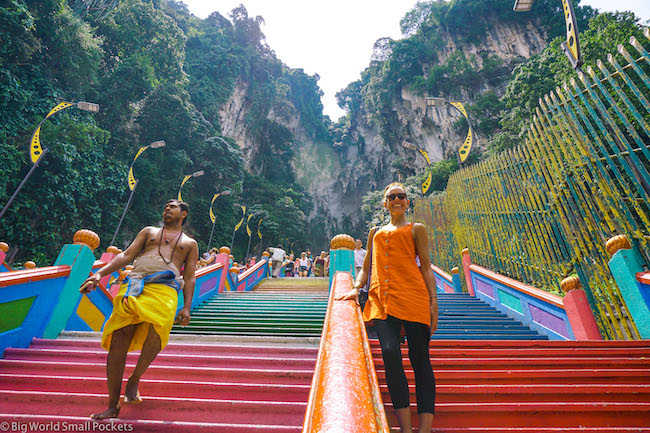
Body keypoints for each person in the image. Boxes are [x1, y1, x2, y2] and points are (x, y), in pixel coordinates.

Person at [80, 199, 199, 420]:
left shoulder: (190, 243)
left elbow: (190, 277)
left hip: (166, 290)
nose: (167, 209)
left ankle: (135, 378)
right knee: (119, 339)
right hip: (135, 284)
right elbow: (126, 255)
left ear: (184, 213)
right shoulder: (149, 232)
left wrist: (187, 307)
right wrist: (99, 274)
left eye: (172, 207)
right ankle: (112, 405)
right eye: (165, 206)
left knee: (156, 335)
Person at [337, 182, 438, 433]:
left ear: (407, 201)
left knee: (420, 360)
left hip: (414, 298)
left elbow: (425, 267)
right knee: (391, 353)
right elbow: (367, 265)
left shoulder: (417, 229)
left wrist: (433, 303)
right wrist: (355, 287)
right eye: (391, 196)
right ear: (385, 203)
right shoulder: (375, 232)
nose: (396, 199)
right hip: (381, 300)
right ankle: (405, 427)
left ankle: (424, 429)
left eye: (401, 196)